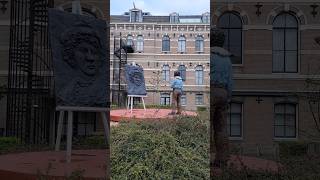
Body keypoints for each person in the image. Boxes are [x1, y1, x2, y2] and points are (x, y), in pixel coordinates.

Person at [210, 29, 233, 171]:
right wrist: (228, 97)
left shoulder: (209, 56)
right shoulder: (227, 59)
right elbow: (231, 81)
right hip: (223, 93)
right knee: (221, 128)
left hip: (211, 91)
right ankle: (222, 160)